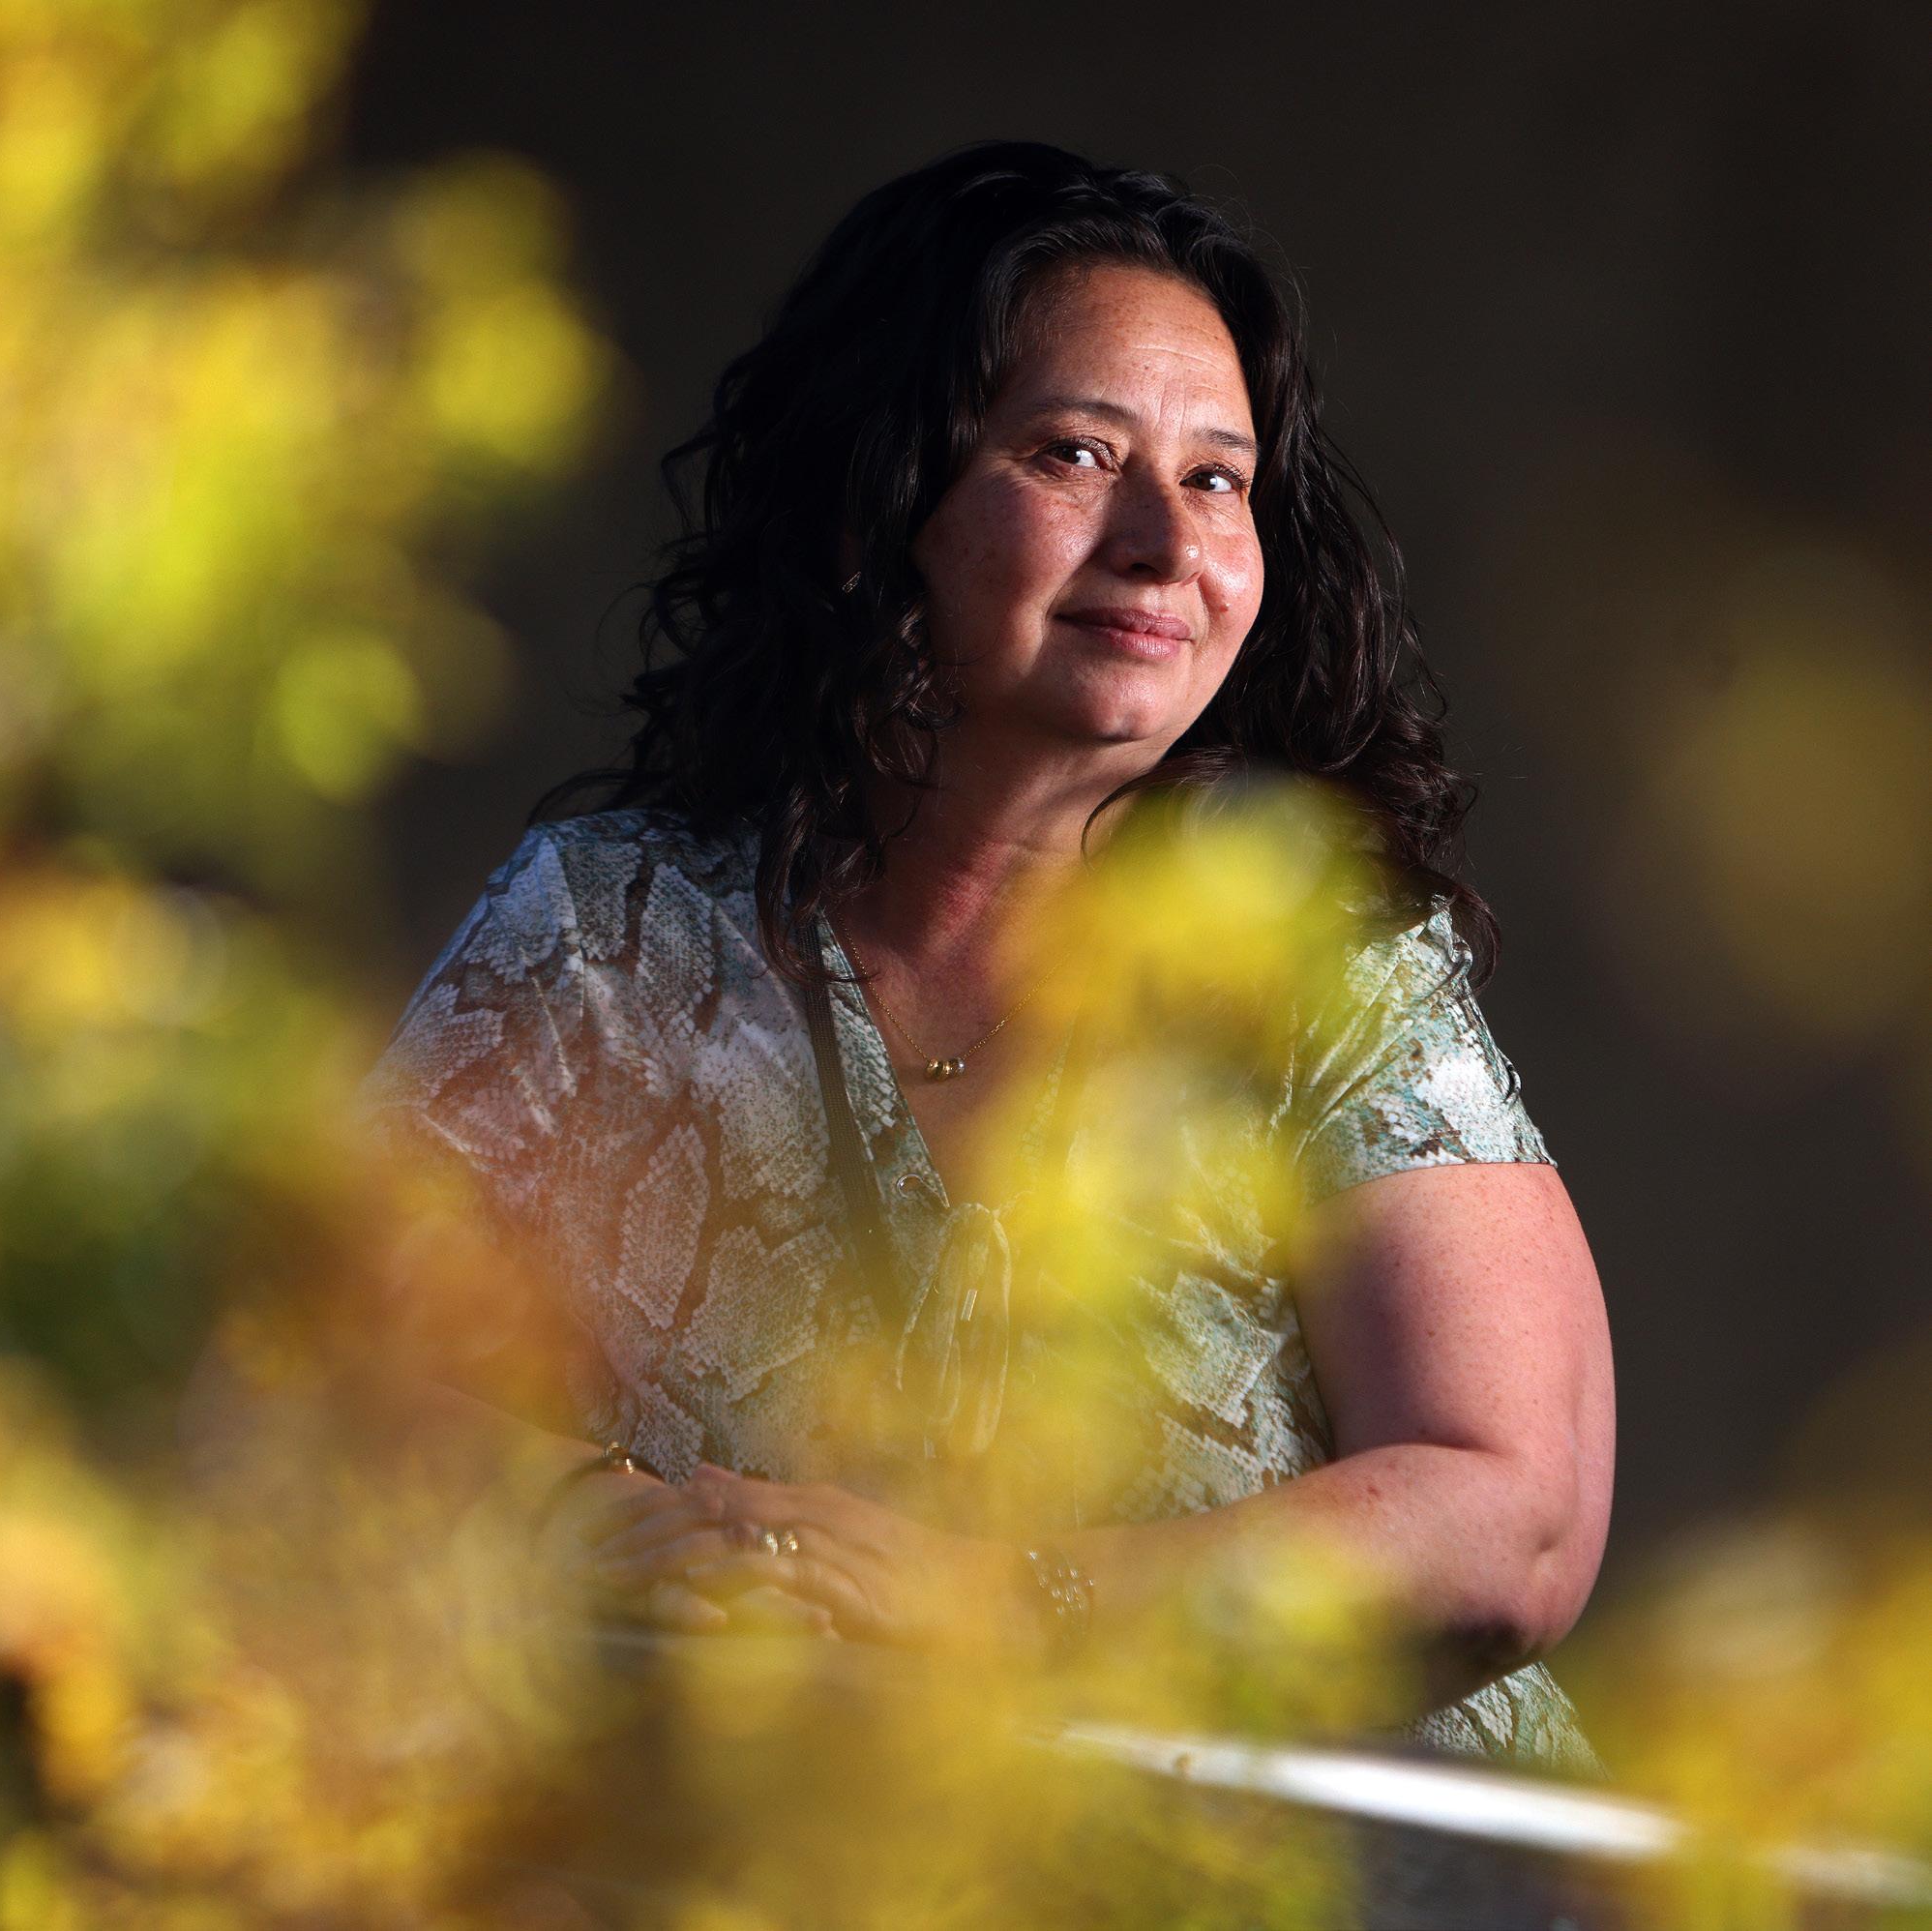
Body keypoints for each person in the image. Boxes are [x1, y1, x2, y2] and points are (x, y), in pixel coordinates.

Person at [358, 140, 1612, 1771]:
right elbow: (291, 1380)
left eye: (1219, 479)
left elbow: (1507, 1520)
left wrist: (1002, 1607)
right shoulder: (608, 937)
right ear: (879, 500)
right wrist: (578, 1519)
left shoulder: (1310, 958)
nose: (1164, 541)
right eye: (1076, 453)